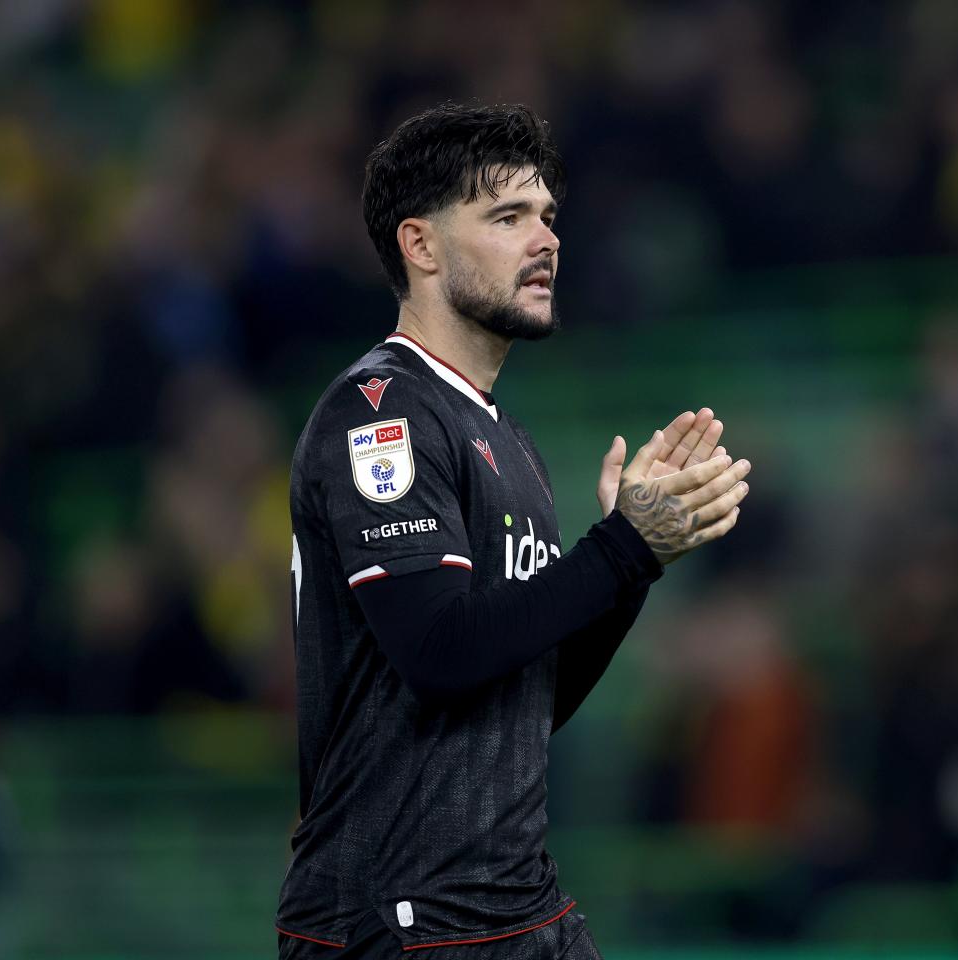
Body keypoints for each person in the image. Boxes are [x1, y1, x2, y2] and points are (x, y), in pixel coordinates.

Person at [276, 103, 751, 958]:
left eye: (547, 216)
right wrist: (621, 549)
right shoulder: (379, 416)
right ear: (420, 246)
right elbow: (441, 653)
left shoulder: (507, 440)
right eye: (507, 217)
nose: (546, 240)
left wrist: (632, 562)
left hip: (514, 907)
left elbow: (529, 700)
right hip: (401, 917)